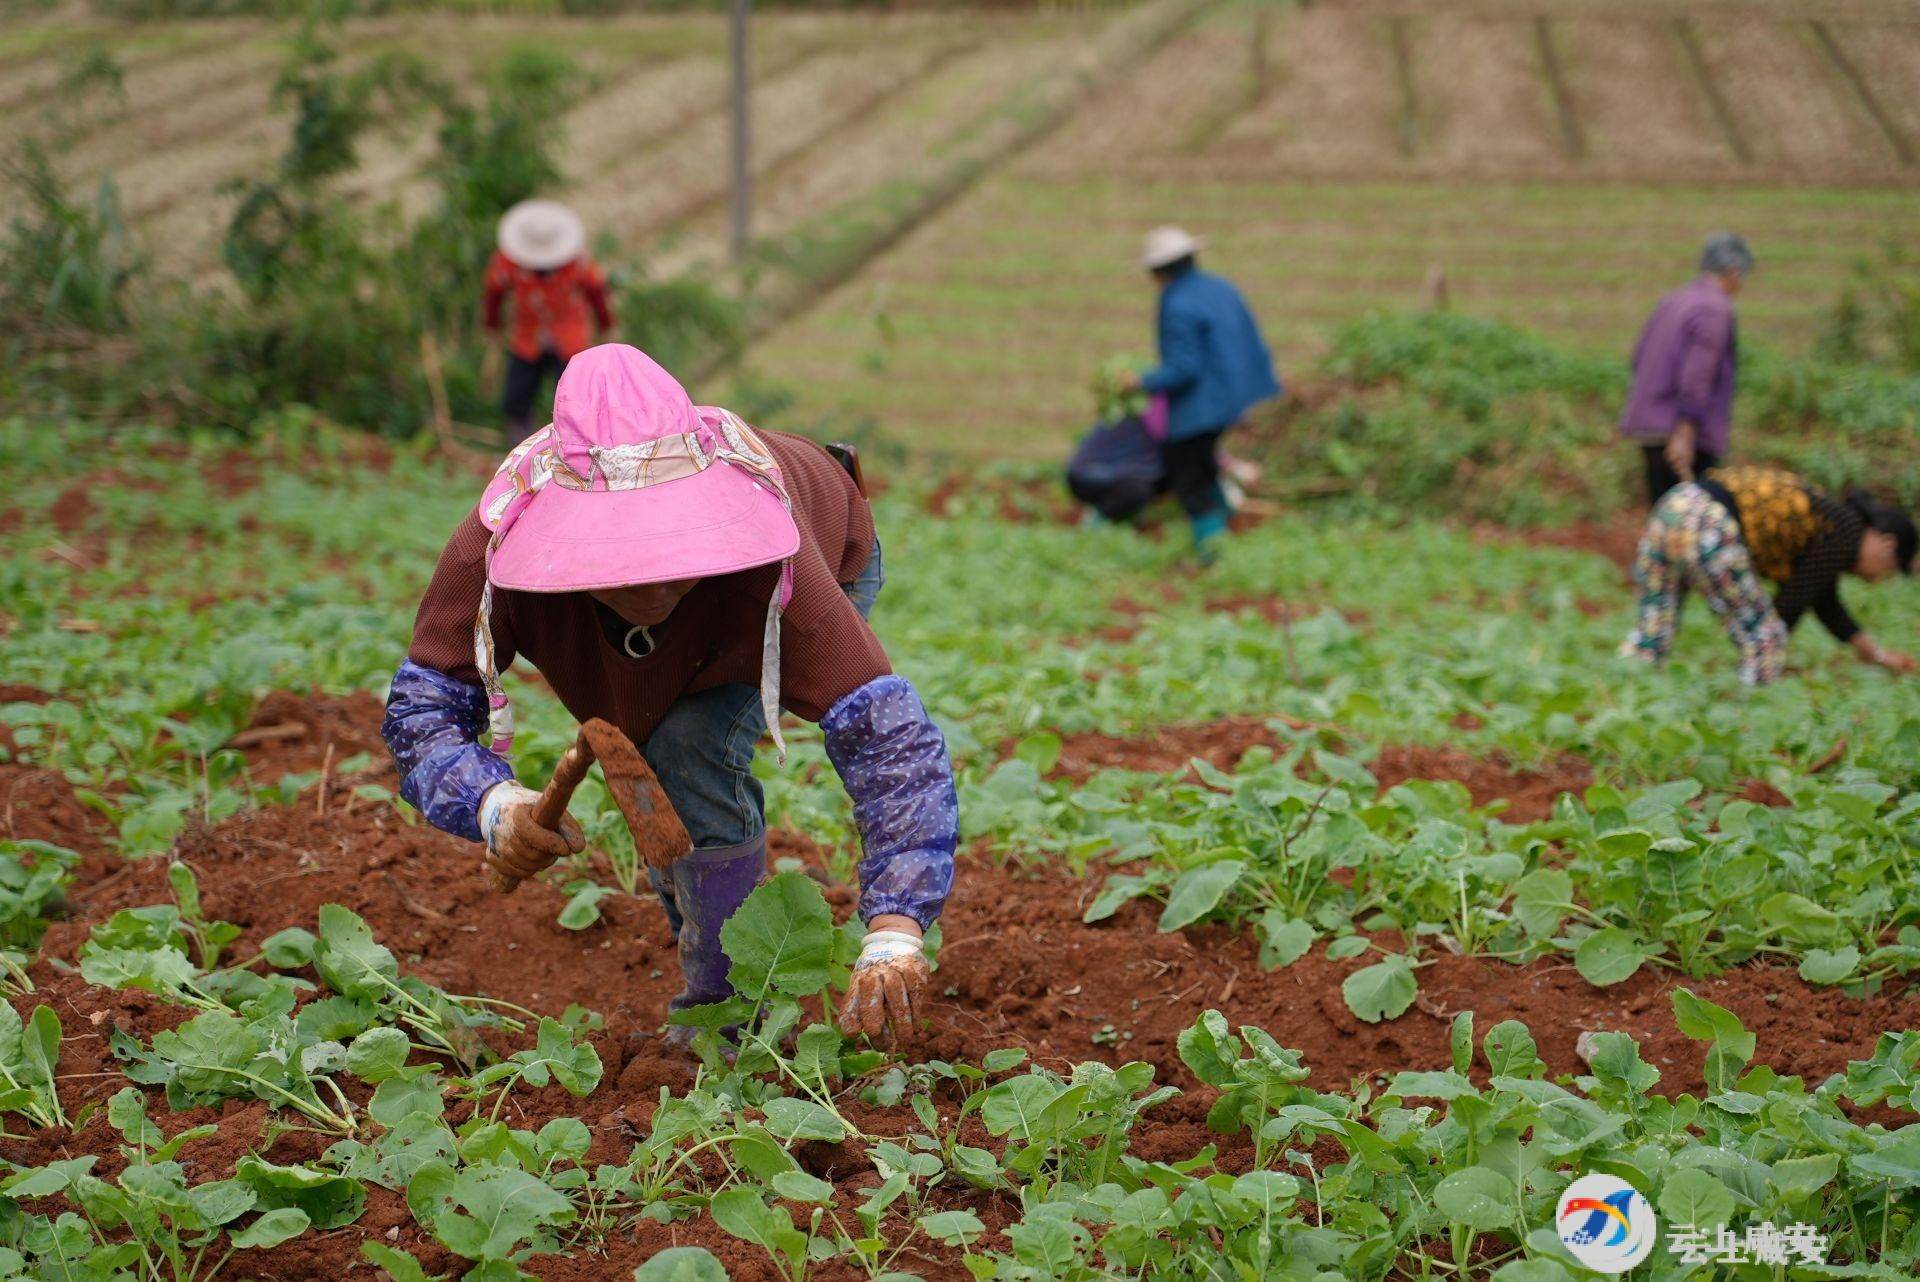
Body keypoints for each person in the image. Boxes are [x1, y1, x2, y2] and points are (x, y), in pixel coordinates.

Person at [381, 344, 956, 1043]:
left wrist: (894, 931)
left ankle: (726, 1012)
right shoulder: (494, 545)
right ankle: (716, 936)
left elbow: (889, 743)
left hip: (818, 553)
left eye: (667, 553)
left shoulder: (777, 555)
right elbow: (424, 709)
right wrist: (493, 804)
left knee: (687, 747)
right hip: (620, 643)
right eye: (619, 561)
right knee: (653, 749)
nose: (650, 587)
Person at [1620, 464, 1916, 684]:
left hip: (1675, 506)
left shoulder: (1832, 522)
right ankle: (1745, 720)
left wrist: (1873, 653)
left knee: (1653, 627)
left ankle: (1623, 690)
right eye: (1889, 570)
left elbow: (1822, 596)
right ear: (1887, 545)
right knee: (1767, 638)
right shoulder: (1847, 532)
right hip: (1709, 522)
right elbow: (1791, 604)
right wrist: (1766, 639)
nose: (1879, 578)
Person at [1122, 227, 1279, 564]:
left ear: (1157, 271)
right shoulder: (1219, 287)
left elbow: (1184, 368)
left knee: (1187, 476)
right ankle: (1225, 530)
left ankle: (1212, 555)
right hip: (1237, 394)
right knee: (1204, 461)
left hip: (1203, 403)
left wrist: (1141, 382)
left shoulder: (1176, 302)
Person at [1620, 233, 1753, 504]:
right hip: (1680, 431)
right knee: (1694, 522)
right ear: (1733, 272)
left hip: (1650, 424)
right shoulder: (1715, 308)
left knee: (1664, 514)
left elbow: (1638, 356)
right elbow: (1698, 374)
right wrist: (1685, 432)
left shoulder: (1674, 300)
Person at [484, 200, 617, 445]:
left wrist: (607, 329)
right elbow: (493, 294)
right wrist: (493, 332)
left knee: (577, 398)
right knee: (516, 397)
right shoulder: (507, 263)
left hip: (569, 336)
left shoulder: (576, 264)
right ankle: (523, 449)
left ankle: (583, 446)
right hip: (527, 336)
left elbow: (597, 293)